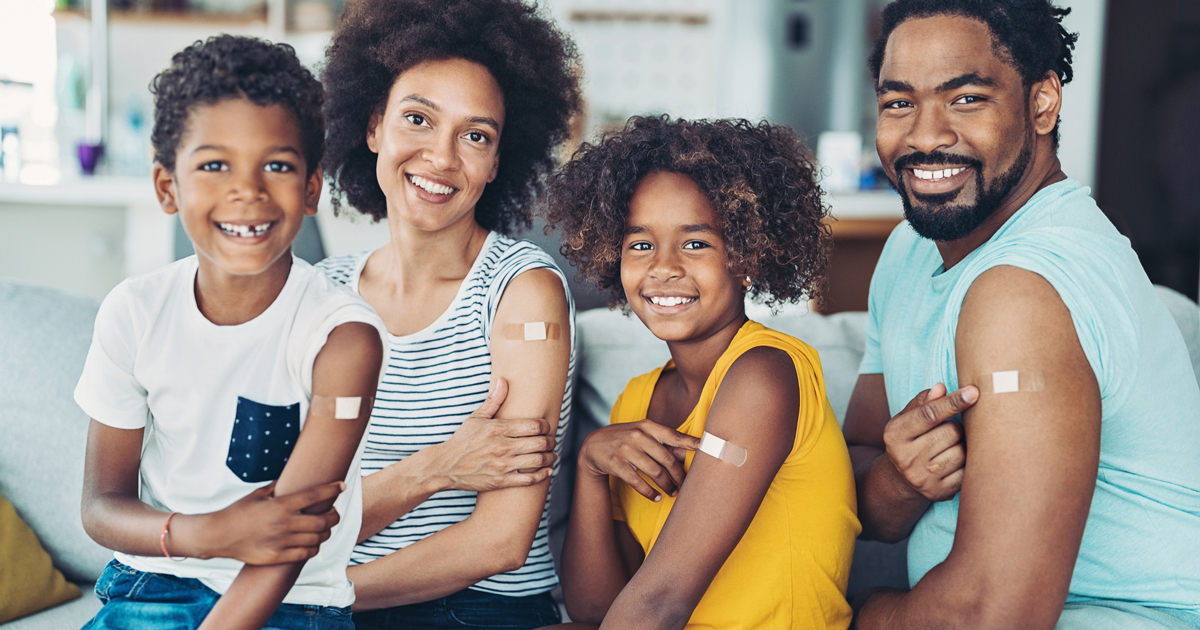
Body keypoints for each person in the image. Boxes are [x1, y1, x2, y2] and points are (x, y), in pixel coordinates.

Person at [842, 1, 1200, 628]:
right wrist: (899, 483)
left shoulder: (1020, 290)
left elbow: (991, 615)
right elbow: (856, 475)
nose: (925, 135)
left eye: (966, 99)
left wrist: (859, 618)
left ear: (1043, 104)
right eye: (899, 103)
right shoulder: (909, 250)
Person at [76, 35, 388, 629]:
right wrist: (208, 534)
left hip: (291, 602)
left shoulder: (343, 340)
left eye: (277, 165)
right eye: (214, 165)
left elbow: (291, 544)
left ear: (313, 189)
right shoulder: (133, 312)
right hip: (155, 579)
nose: (248, 191)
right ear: (168, 187)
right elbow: (99, 507)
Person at [315, 0, 581, 627]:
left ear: (496, 163)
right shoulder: (319, 295)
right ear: (373, 126)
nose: (441, 157)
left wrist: (317, 592)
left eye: (475, 136)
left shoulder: (523, 293)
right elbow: (289, 518)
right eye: (417, 119)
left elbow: (500, 542)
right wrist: (439, 467)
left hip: (476, 609)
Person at [542, 116, 860, 630]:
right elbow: (597, 611)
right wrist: (589, 469)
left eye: (695, 243)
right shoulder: (635, 401)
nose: (663, 267)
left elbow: (661, 600)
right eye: (640, 244)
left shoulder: (765, 375)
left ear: (747, 256)